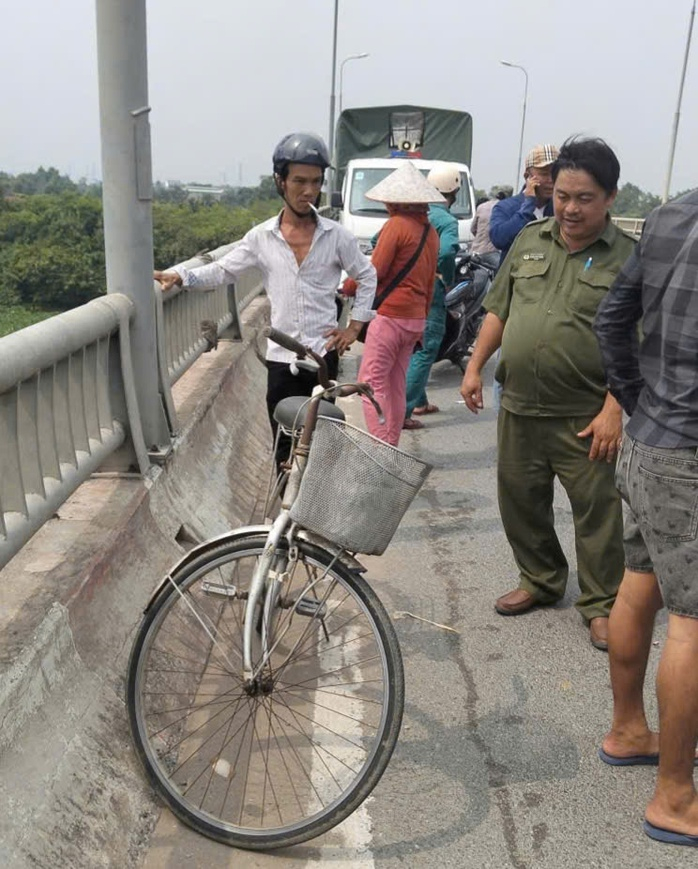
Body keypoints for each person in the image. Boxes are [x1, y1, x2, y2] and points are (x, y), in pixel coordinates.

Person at [460, 136, 637, 650]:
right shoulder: (530, 240)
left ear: (610, 197)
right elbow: (500, 309)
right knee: (521, 502)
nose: (570, 208)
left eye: (584, 198)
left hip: (586, 413)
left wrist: (614, 409)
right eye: (562, 196)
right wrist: (474, 367)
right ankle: (540, 580)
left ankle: (602, 603)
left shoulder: (630, 259)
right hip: (519, 406)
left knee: (597, 514)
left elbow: (639, 343)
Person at [153, 132, 376, 467]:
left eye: (315, 182)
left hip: (322, 358)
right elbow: (224, 270)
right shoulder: (261, 238)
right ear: (280, 181)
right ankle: (286, 501)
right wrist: (182, 276)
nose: (308, 191)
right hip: (282, 359)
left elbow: (368, 275)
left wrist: (354, 327)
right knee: (283, 449)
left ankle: (312, 499)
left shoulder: (337, 237)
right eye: (299, 181)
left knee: (318, 448)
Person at [593, 191, 698, 847]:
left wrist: (637, 402)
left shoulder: (669, 215)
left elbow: (610, 320)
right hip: (687, 457)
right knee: (693, 623)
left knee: (640, 584)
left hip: (648, 440)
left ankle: (629, 730)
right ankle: (675, 796)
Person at [356, 160, 441, 446]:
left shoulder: (395, 226)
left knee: (370, 383)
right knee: (395, 384)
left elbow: (374, 272)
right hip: (415, 319)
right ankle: (390, 445)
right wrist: (422, 320)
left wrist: (348, 286)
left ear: (396, 201)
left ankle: (381, 446)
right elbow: (430, 283)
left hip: (390, 317)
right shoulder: (431, 232)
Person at [402, 162, 461, 430]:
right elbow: (447, 252)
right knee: (426, 348)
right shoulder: (447, 221)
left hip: (404, 288)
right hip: (430, 289)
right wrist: (445, 277)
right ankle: (402, 411)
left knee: (412, 345)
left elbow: (379, 241)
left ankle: (420, 401)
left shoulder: (412, 213)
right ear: (454, 192)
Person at [489, 144, 559, 265]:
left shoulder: (559, 209)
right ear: (527, 177)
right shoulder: (506, 207)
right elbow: (499, 239)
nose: (551, 180)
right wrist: (528, 206)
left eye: (555, 174)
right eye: (544, 174)